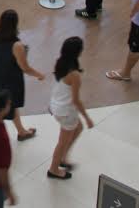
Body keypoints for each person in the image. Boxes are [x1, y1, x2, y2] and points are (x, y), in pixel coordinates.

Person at [0, 10, 45, 142]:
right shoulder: (17, 45)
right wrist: (39, 75)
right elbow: (25, 67)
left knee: (5, 107)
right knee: (7, 107)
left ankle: (21, 131)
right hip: (12, 82)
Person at [47, 36, 93, 181]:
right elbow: (76, 100)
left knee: (78, 128)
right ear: (78, 52)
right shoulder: (75, 75)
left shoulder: (60, 63)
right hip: (66, 111)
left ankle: (63, 158)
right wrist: (87, 118)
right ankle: (54, 169)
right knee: (62, 141)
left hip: (57, 104)